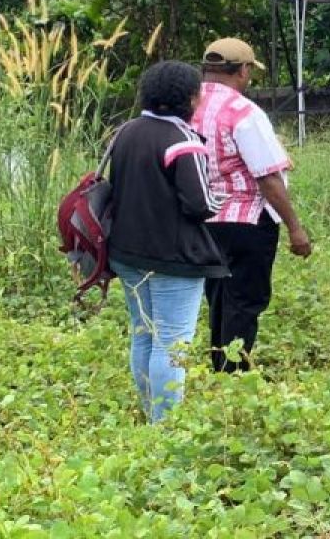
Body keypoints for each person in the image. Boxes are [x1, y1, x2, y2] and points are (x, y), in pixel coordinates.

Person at [107, 61, 229, 422]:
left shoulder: (125, 132)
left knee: (143, 334)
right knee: (172, 342)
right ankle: (167, 424)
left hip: (127, 253)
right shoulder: (183, 141)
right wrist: (219, 201)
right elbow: (199, 204)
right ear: (191, 97)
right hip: (172, 257)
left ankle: (150, 413)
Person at [192, 37, 311, 373]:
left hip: (203, 220)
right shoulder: (244, 112)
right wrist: (295, 227)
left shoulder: (186, 106)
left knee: (217, 296)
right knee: (244, 300)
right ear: (243, 71)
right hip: (246, 221)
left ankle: (220, 365)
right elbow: (268, 177)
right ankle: (234, 374)